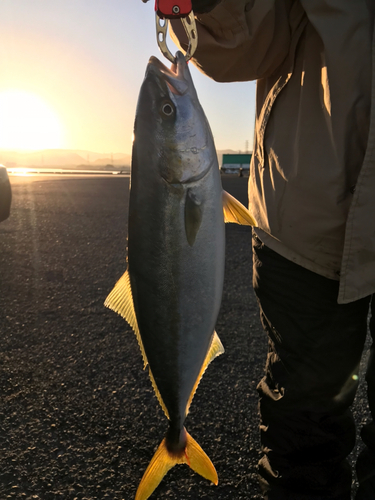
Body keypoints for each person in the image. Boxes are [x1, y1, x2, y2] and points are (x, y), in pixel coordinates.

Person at [144, 1, 375, 498]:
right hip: (307, 210)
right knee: (304, 437)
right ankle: (177, 432)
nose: (169, 106)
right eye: (166, 112)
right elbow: (244, 46)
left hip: (296, 200)